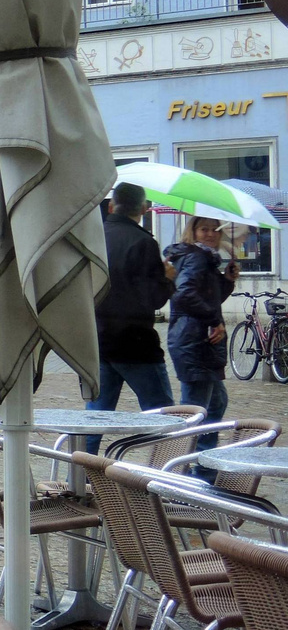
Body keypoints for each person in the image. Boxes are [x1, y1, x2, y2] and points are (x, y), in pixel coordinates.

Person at [87, 182, 176, 450]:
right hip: (137, 345)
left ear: (112, 206)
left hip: (99, 341)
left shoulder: (94, 237)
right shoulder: (144, 242)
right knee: (164, 419)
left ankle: (78, 478)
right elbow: (153, 299)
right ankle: (166, 475)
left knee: (93, 420)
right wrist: (168, 279)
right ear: (144, 209)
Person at [165, 216, 238, 452]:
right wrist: (214, 321)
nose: (210, 234)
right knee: (196, 410)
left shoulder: (205, 260)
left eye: (215, 230)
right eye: (203, 229)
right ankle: (188, 465)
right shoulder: (196, 257)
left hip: (197, 339)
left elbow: (209, 298)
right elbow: (184, 294)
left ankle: (202, 463)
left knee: (216, 403)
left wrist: (226, 280)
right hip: (194, 340)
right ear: (193, 232)